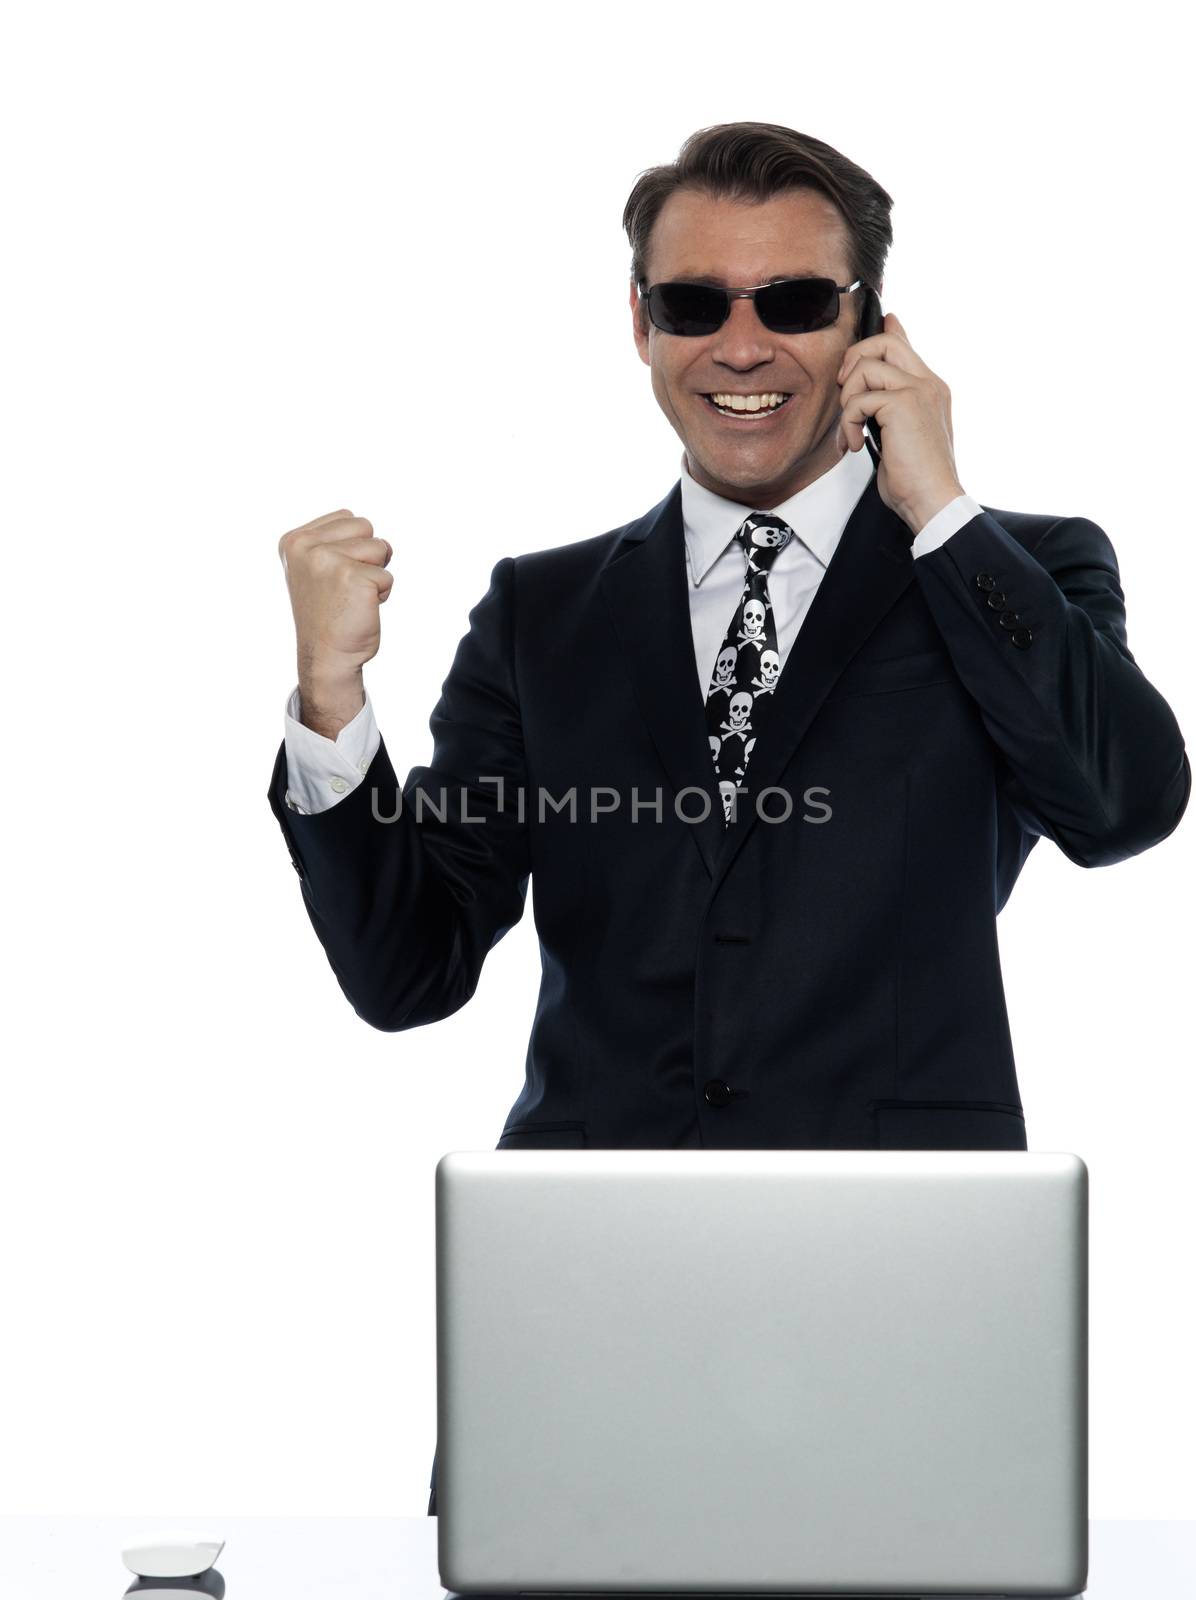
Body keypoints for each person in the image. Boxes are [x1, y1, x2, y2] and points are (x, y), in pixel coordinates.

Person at [267, 122, 1190, 1516]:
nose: (741, 345)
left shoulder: (1018, 572)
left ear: (871, 325)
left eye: (797, 303)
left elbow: (1123, 805)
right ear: (641, 323)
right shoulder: (544, 612)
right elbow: (410, 968)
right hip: (583, 1313)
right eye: (696, 302)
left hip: (908, 1299)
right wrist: (333, 700)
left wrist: (934, 502)